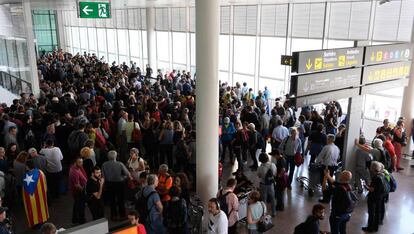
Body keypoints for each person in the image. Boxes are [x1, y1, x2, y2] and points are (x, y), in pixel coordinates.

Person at [102, 150, 131, 221]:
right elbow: (127, 174)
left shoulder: (104, 164)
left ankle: (113, 215)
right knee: (121, 199)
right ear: (115, 156)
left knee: (112, 200)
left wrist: (103, 185)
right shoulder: (120, 164)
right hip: (119, 184)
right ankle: (122, 215)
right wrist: (124, 177)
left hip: (109, 184)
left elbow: (103, 176)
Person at [22, 160, 49, 228]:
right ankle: (43, 219)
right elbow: (45, 183)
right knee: (41, 208)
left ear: (27, 167)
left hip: (31, 199)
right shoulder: (40, 172)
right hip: (41, 196)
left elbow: (25, 190)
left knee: (34, 211)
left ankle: (36, 222)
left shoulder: (26, 177)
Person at [362, 161, 387, 233]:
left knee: (371, 212)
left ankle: (370, 228)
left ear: (372, 168)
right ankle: (376, 227)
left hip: (373, 197)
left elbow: (372, 189)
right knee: (377, 212)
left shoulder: (375, 177)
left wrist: (365, 186)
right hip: (380, 197)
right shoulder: (382, 175)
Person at [316, 134, 340, 203]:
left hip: (326, 167)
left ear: (330, 139)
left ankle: (326, 198)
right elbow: (338, 158)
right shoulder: (337, 148)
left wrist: (317, 163)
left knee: (323, 181)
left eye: (327, 139)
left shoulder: (326, 147)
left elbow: (320, 157)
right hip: (333, 166)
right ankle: (331, 195)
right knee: (331, 181)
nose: (326, 140)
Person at [68, 157, 87, 224]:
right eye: (79, 162)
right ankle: (80, 220)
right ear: (75, 163)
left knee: (77, 206)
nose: (81, 164)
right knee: (80, 206)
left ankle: (75, 220)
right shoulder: (74, 172)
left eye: (82, 162)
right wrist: (84, 191)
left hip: (79, 191)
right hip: (78, 192)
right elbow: (77, 185)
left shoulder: (77, 168)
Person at [257, 153, 276, 217]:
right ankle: (274, 212)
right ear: (267, 158)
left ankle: (265, 213)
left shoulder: (260, 167)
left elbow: (259, 176)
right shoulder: (272, 165)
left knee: (264, 199)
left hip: (263, 184)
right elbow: (275, 173)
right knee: (272, 198)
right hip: (270, 184)